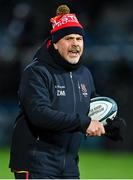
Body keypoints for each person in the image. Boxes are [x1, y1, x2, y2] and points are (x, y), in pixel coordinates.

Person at [9, 4, 125, 179]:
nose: (75, 44)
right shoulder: (36, 72)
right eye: (69, 38)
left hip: (69, 164)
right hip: (35, 163)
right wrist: (84, 123)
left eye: (79, 39)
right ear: (55, 43)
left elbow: (91, 109)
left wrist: (111, 126)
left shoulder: (84, 73)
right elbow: (39, 114)